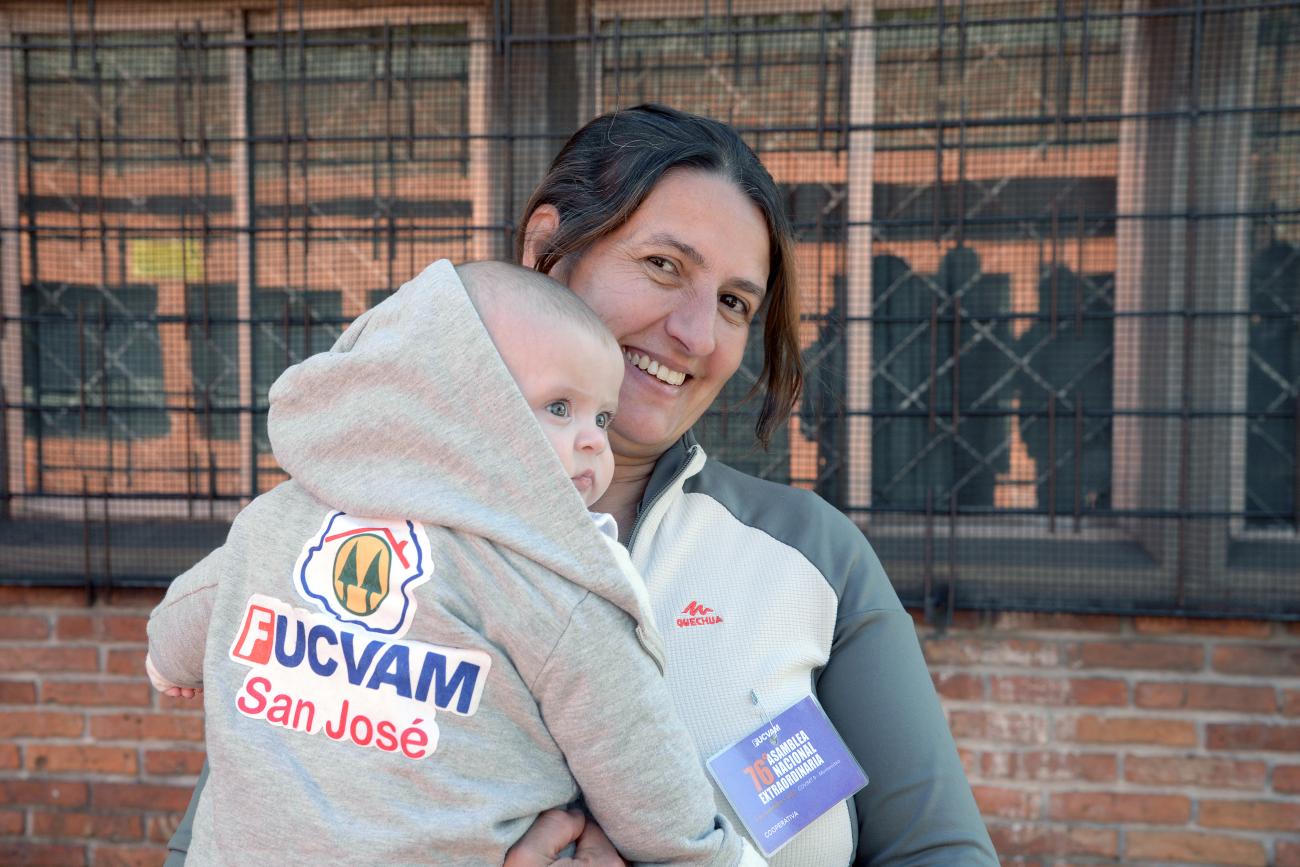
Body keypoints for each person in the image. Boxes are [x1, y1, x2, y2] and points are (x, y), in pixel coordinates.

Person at [167, 104, 998, 866]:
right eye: (665, 264)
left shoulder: (810, 559)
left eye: (738, 302)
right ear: (546, 248)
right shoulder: (362, 516)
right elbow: (239, 824)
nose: (696, 332)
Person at [147, 259, 763, 866]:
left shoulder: (282, 517)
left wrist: (164, 661)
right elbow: (634, 753)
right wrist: (711, 855)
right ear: (449, 399)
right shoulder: (553, 582)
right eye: (558, 408)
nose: (593, 441)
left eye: (601, 417)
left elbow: (185, 625)